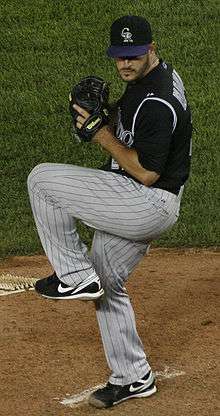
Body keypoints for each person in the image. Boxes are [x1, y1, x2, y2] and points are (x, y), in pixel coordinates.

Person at [27, 15, 192, 409]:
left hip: (145, 200)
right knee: (107, 284)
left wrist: (99, 132)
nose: (125, 64)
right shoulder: (153, 79)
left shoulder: (158, 102)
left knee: (41, 180)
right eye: (119, 56)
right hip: (141, 200)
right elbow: (131, 120)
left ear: (152, 49)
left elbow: (147, 172)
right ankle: (133, 377)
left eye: (134, 56)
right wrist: (106, 114)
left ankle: (73, 275)